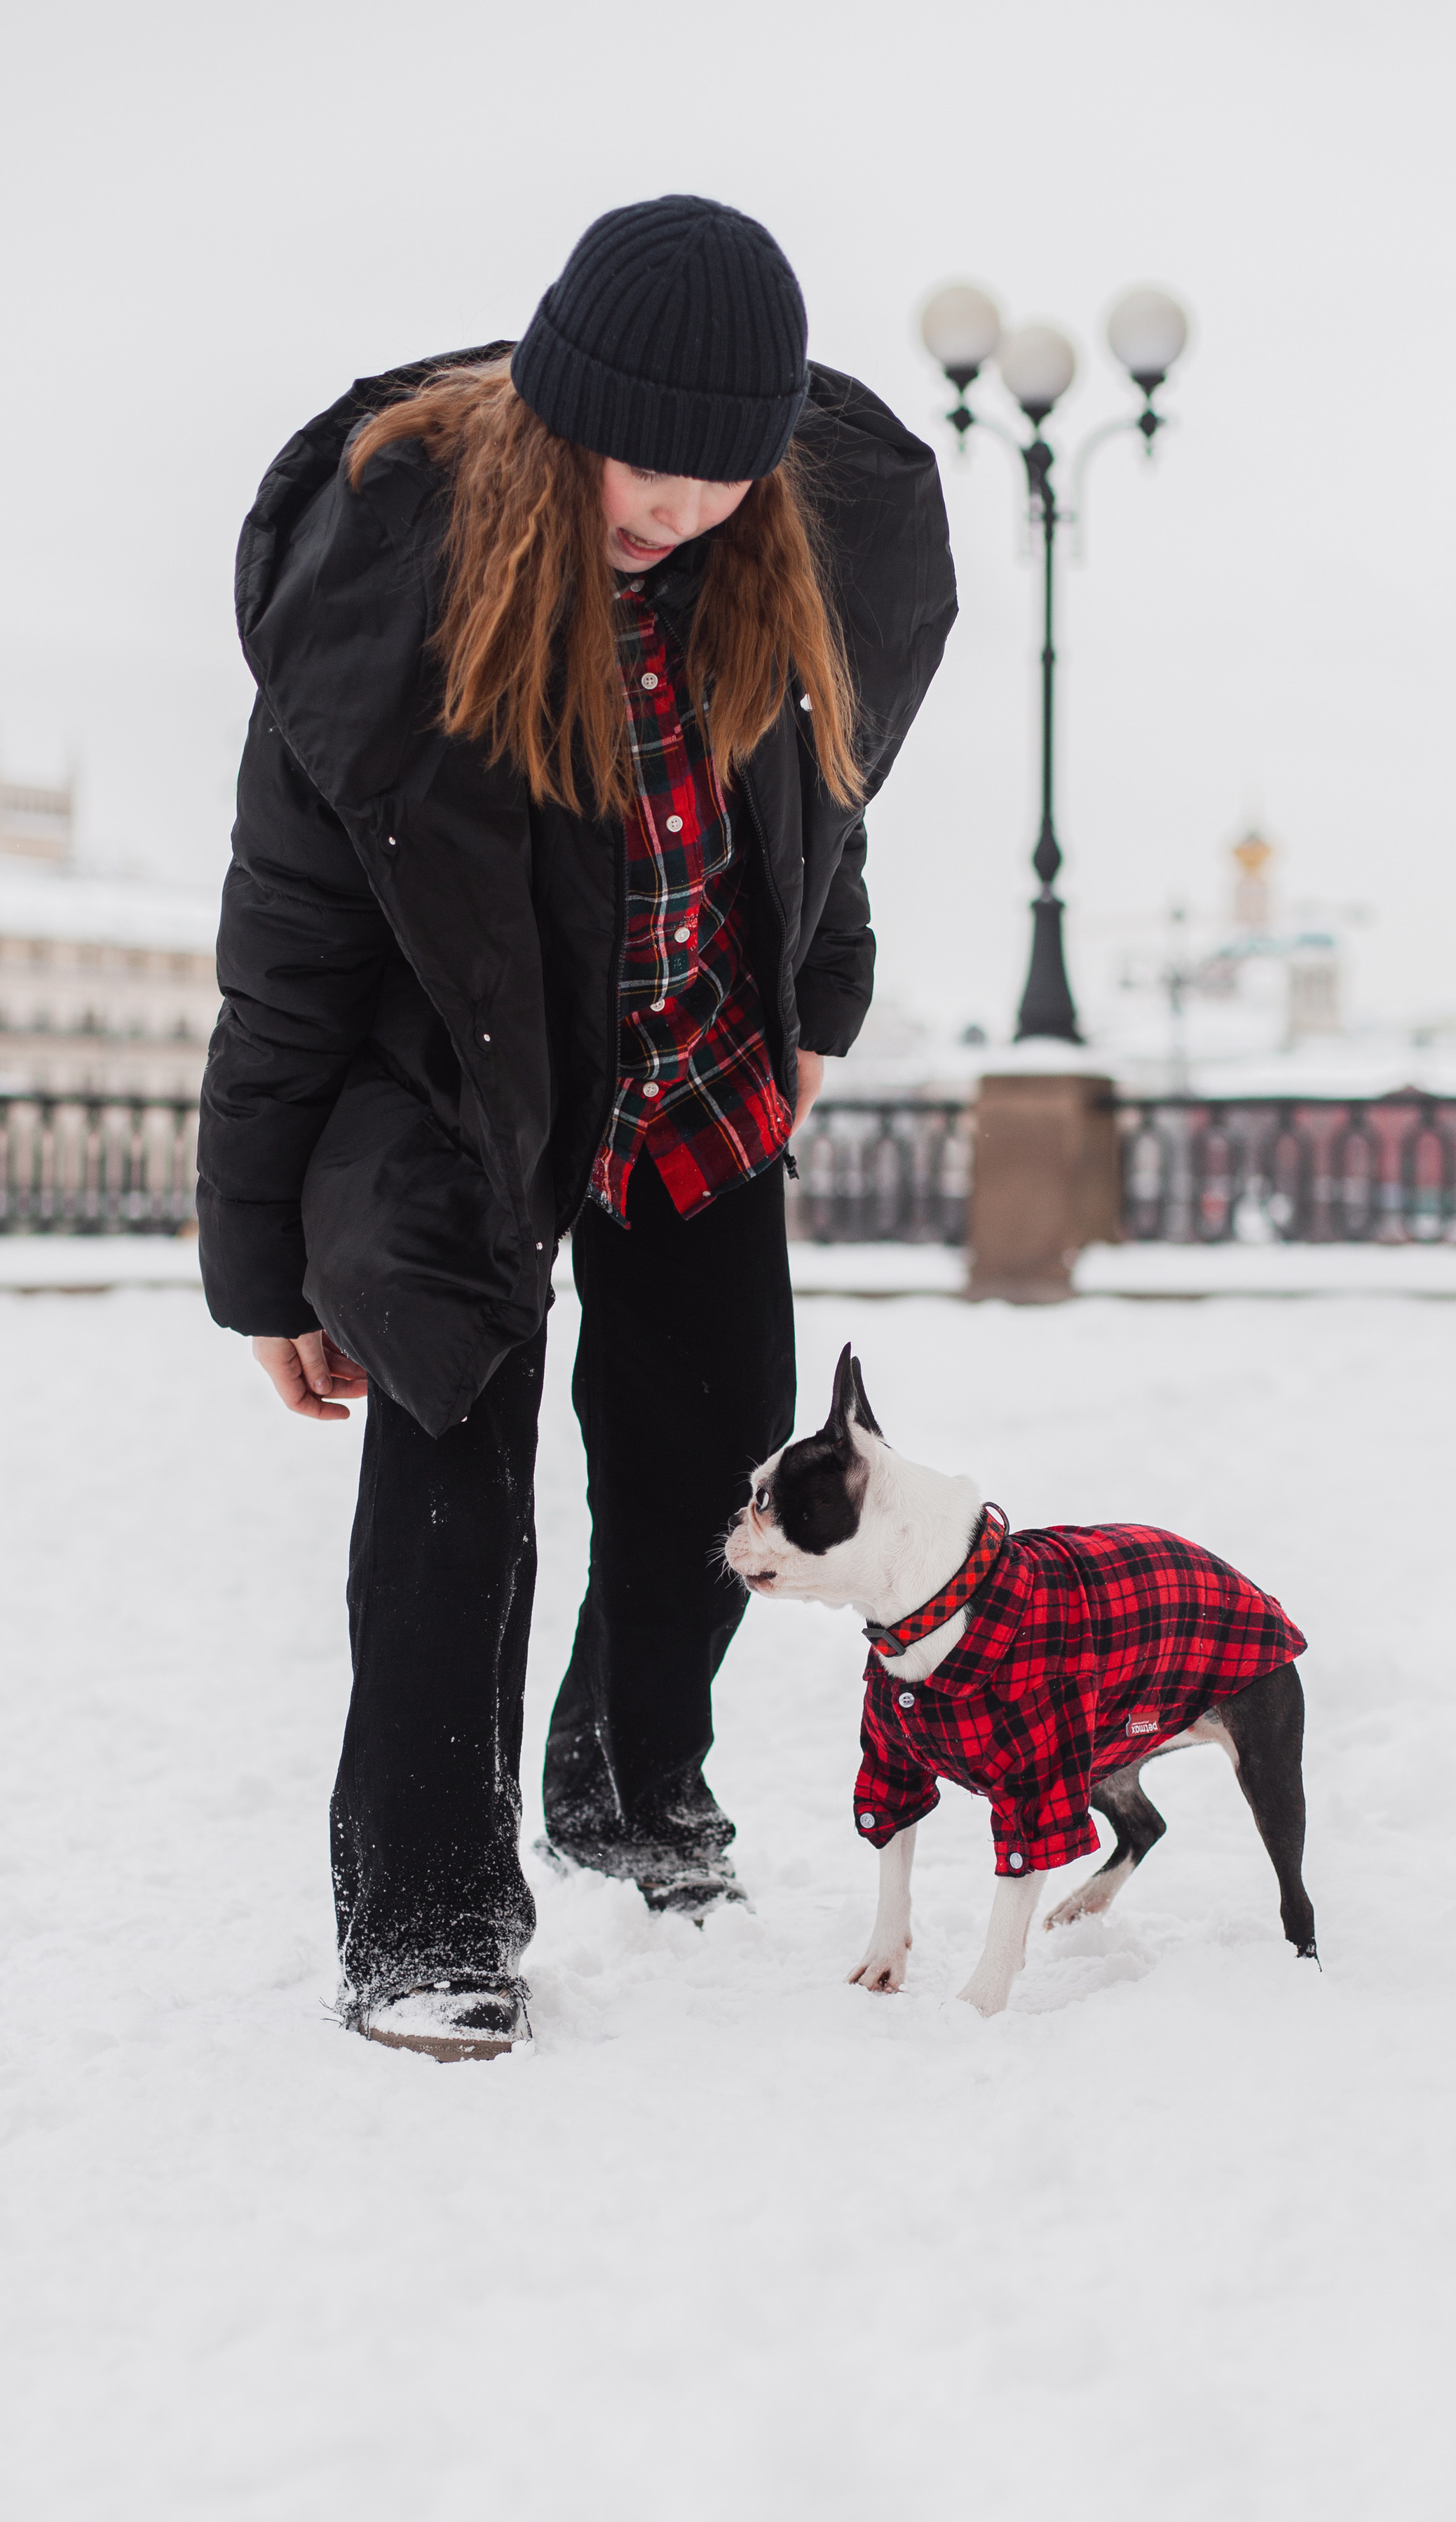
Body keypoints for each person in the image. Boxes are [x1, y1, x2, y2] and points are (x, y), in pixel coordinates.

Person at [198, 195, 955, 2060]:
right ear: (559, 409)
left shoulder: (798, 563)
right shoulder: (388, 594)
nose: (680, 505)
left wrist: (821, 1000)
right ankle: (424, 1915)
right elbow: (287, 950)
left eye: (723, 472)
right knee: (452, 1472)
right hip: (451, 1077)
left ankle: (628, 1782)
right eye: (646, 461)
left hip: (689, 1062)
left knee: (716, 1455)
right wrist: (262, 1261)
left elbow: (815, 811)